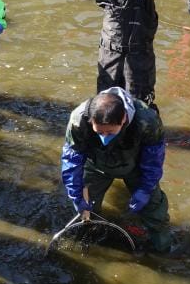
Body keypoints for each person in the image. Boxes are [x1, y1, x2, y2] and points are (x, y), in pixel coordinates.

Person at [60, 87, 172, 253]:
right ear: (91, 121)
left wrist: (145, 189)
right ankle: (91, 239)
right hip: (96, 165)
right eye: (99, 132)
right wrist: (76, 194)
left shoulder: (147, 120)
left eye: (110, 132)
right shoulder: (78, 120)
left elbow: (153, 159)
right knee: (87, 210)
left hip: (135, 165)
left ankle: (162, 250)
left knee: (155, 212)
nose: (104, 137)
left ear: (124, 119)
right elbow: (72, 159)